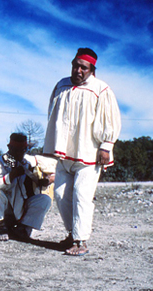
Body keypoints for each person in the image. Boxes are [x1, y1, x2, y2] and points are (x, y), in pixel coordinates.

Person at [43, 48, 121, 256]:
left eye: (83, 67)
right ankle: (72, 234)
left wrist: (107, 145)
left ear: (92, 70)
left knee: (81, 196)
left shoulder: (101, 89)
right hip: (63, 153)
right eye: (75, 65)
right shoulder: (61, 85)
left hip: (89, 153)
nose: (78, 70)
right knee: (60, 194)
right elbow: (53, 113)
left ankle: (81, 240)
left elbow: (111, 119)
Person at [0, 133, 56, 241]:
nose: (20, 152)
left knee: (44, 199)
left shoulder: (27, 161)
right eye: (17, 149)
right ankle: (1, 228)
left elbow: (55, 166)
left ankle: (23, 229)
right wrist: (10, 176)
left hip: (18, 208)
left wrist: (47, 179)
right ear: (10, 148)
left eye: (23, 149)